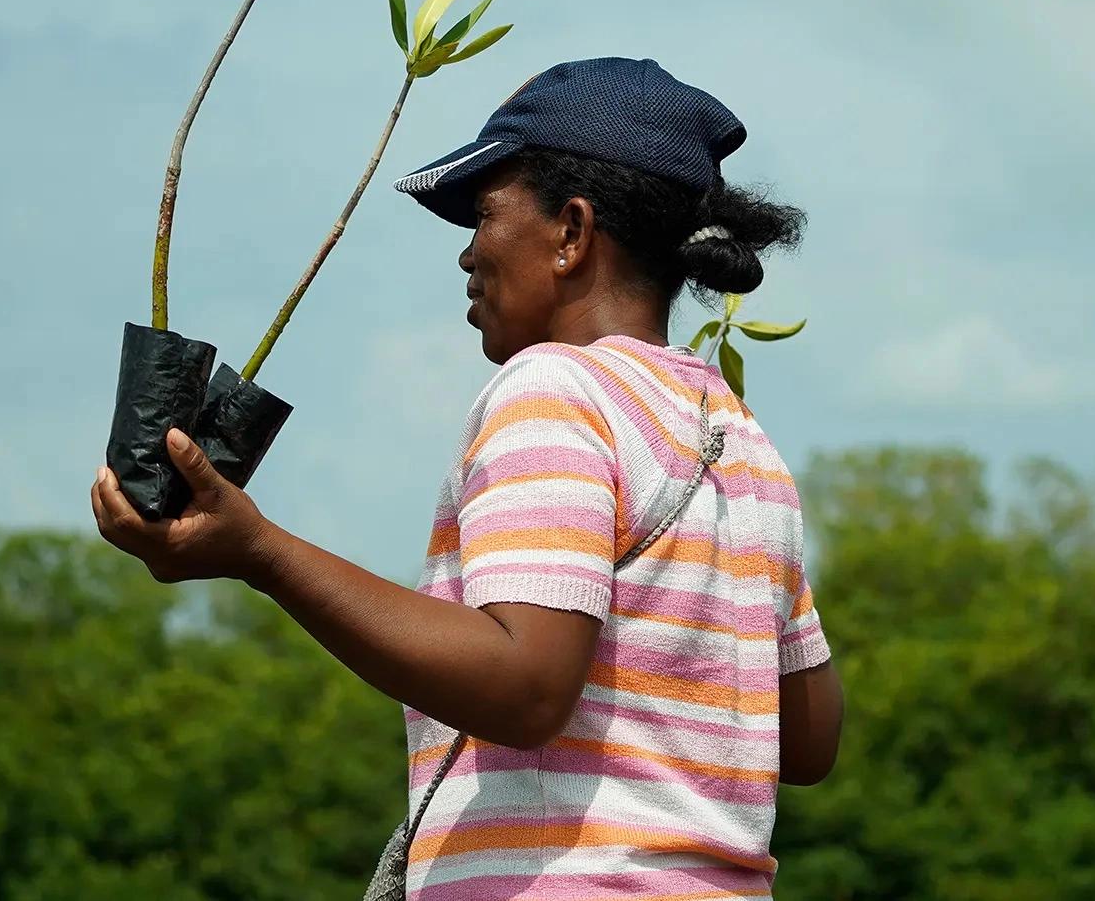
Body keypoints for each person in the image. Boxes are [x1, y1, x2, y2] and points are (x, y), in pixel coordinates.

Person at [90, 57, 844, 899]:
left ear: (571, 232)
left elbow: (524, 690)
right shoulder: (736, 434)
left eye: (483, 215)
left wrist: (260, 553)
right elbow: (807, 743)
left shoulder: (558, 388)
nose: (467, 255)